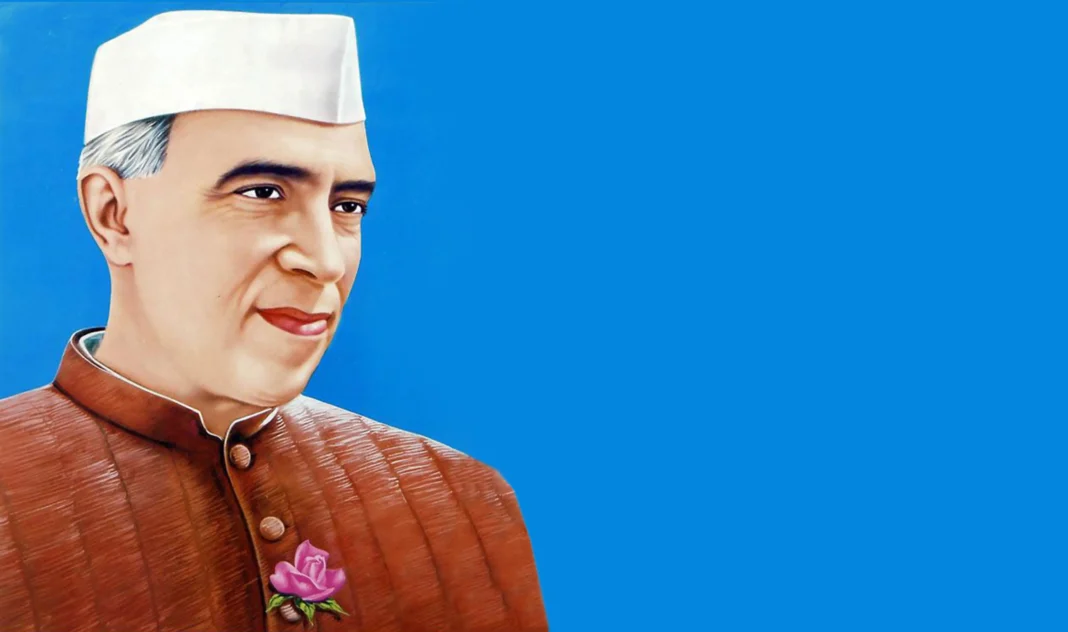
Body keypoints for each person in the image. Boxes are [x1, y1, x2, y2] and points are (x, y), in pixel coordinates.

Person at [0, 10, 547, 632]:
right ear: (114, 215)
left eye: (347, 205)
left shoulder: (464, 501)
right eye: (262, 192)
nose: (325, 260)